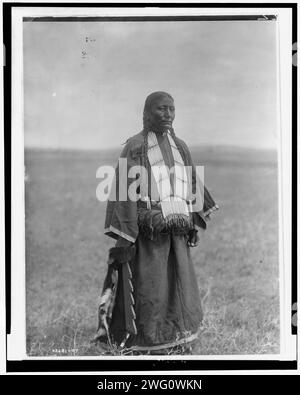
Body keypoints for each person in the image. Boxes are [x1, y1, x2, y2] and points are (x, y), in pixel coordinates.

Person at [94, 91, 218, 354]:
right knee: (150, 286)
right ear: (147, 112)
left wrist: (193, 223)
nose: (168, 115)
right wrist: (126, 234)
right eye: (162, 109)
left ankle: (177, 337)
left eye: (172, 109)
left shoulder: (180, 146)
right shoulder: (135, 146)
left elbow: (191, 184)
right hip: (147, 230)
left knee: (178, 284)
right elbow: (124, 190)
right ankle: (145, 341)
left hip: (177, 228)